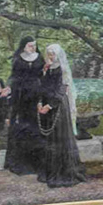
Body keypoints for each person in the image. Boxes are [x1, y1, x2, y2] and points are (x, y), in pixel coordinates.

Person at [35, 44, 87, 188]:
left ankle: (64, 172)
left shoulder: (63, 70)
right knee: (50, 140)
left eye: (53, 54)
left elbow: (61, 90)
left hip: (57, 106)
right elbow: (42, 87)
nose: (51, 57)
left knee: (59, 138)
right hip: (47, 105)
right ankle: (50, 171)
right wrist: (40, 102)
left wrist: (49, 106)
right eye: (49, 54)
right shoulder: (47, 69)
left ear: (58, 55)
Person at [5, 39, 45, 175]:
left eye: (35, 45)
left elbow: (43, 75)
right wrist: (9, 87)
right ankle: (21, 161)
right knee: (22, 125)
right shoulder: (17, 59)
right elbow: (13, 76)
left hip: (35, 94)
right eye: (30, 45)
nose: (33, 48)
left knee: (35, 125)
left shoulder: (40, 58)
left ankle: (36, 162)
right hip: (21, 95)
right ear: (23, 46)